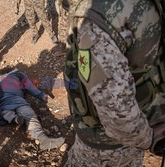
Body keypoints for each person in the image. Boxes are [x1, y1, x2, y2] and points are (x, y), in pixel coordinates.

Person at [63, 0, 165, 166]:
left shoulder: (98, 15)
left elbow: (116, 109)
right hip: (146, 119)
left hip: (107, 144)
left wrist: (147, 138)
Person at [0, 68, 65, 150]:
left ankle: (14, 118)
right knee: (29, 115)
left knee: (3, 110)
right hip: (16, 100)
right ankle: (42, 139)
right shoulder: (20, 75)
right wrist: (43, 96)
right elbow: (32, 89)